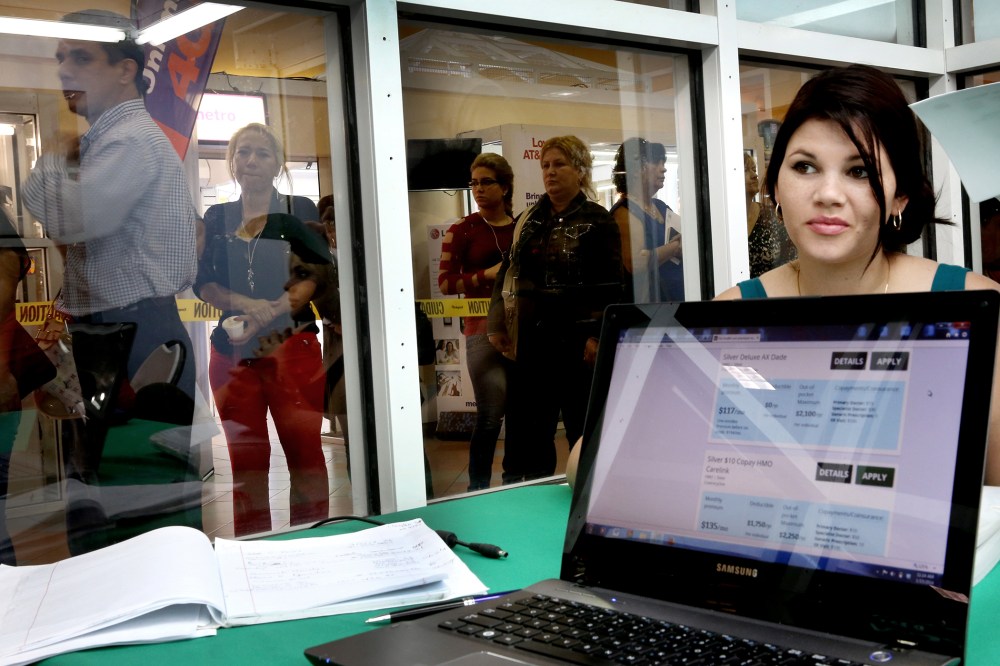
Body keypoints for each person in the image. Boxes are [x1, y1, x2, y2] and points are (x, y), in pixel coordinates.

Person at [714, 64, 1000, 486]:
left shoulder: (971, 302)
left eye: (859, 171)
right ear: (775, 185)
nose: (828, 195)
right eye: (805, 167)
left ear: (899, 195)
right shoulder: (731, 315)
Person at [195, 122, 329, 536]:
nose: (251, 160)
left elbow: (317, 271)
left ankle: (315, 545)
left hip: (292, 346)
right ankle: (254, 552)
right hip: (232, 353)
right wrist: (244, 305)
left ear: (278, 164)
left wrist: (272, 309)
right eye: (243, 152)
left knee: (305, 453)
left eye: (262, 153)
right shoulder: (217, 216)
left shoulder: (299, 208)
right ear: (232, 161)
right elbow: (203, 282)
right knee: (245, 459)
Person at [488, 135, 624, 483]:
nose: (550, 172)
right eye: (545, 165)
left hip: (578, 346)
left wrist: (596, 335)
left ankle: (588, 493)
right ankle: (526, 494)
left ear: (580, 171)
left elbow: (612, 285)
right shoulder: (528, 220)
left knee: (582, 427)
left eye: (559, 164)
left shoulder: (599, 221)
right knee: (527, 431)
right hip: (531, 343)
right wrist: (496, 322)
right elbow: (508, 272)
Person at [437, 152, 515, 490]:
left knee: (523, 416)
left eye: (486, 182)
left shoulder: (520, 227)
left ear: (505, 186)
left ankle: (516, 482)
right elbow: (445, 283)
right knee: (489, 416)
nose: (478, 189)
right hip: (480, 330)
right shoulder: (462, 230)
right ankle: (477, 488)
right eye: (474, 183)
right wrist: (488, 274)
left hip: (519, 331)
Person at [610, 138, 683, 301]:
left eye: (663, 163)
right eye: (656, 163)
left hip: (675, 302)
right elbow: (636, 263)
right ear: (636, 169)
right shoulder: (624, 212)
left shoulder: (662, 207)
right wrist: (675, 247)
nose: (663, 169)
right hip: (648, 308)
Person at [745, 151, 796, 277]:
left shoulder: (771, 215)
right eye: (746, 170)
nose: (754, 175)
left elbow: (790, 259)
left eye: (754, 169)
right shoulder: (725, 222)